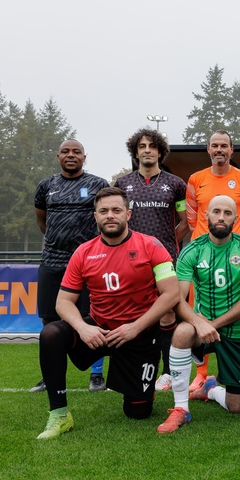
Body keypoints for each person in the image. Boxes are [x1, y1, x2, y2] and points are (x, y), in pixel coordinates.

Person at [36, 187, 180, 439]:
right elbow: (63, 302)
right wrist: (83, 327)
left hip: (139, 333)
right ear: (95, 216)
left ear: (128, 214)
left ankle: (140, 384)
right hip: (100, 330)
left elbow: (171, 294)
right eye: (103, 211)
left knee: (137, 412)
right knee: (51, 334)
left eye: (116, 210)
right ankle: (59, 415)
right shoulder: (84, 252)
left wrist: (135, 326)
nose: (109, 215)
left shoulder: (151, 245)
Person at [157, 195, 240, 433]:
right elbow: (177, 298)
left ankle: (211, 389)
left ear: (236, 218)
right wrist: (199, 323)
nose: (221, 217)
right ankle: (181, 409)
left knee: (238, 408)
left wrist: (212, 324)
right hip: (200, 326)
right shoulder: (191, 250)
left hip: (236, 329)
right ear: (207, 215)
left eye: (227, 213)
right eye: (216, 212)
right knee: (182, 332)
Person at [31, 139, 109, 394]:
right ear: (58, 157)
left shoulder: (97, 184)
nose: (71, 155)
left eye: (76, 152)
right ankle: (50, 376)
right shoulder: (46, 186)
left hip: (89, 263)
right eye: (66, 151)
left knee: (93, 317)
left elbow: (107, 214)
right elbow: (42, 221)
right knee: (49, 319)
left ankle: (96, 375)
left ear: (85, 157)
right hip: (52, 261)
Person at [114, 128, 189, 391]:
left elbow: (184, 222)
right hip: (129, 260)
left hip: (165, 259)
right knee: (133, 312)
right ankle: (134, 369)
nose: (147, 150)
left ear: (160, 151)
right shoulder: (122, 184)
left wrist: (164, 244)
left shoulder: (176, 184)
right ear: (135, 152)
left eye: (152, 146)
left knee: (167, 314)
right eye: (142, 146)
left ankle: (168, 372)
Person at [185, 130, 240, 393]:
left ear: (231, 150)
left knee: (239, 307)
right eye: (214, 145)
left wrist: (239, 243)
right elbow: (193, 219)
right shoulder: (195, 179)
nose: (219, 150)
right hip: (204, 252)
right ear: (208, 149)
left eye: (224, 146)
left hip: (235, 253)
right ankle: (201, 373)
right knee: (198, 309)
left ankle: (231, 369)